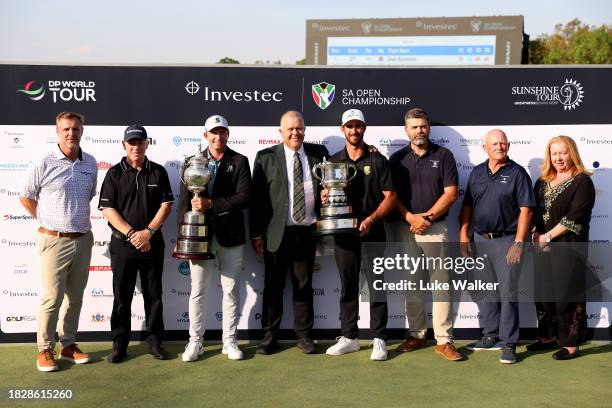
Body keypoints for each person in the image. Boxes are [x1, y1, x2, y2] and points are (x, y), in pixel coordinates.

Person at [20, 112, 97, 372]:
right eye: (66, 129)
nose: (71, 133)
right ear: (57, 131)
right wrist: (47, 222)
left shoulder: (91, 162)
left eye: (75, 129)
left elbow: (88, 197)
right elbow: (26, 196)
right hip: (54, 240)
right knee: (52, 297)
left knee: (75, 297)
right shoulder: (45, 160)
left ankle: (68, 344)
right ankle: (44, 349)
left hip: (84, 239)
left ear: (82, 130)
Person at [250, 110, 328, 355]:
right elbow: (257, 201)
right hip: (276, 233)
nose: (295, 132)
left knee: (304, 285)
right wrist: (256, 234)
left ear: (305, 129)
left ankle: (304, 337)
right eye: (290, 129)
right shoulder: (265, 157)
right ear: (281, 131)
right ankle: (269, 337)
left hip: (306, 232)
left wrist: (325, 196)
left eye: (299, 128)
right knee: (273, 286)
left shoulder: (319, 154)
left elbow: (329, 186)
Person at [389, 107, 463, 361]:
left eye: (423, 126)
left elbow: (451, 192)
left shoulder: (444, 155)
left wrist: (428, 217)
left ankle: (444, 340)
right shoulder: (396, 159)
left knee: (440, 284)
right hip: (406, 227)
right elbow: (391, 196)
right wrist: (411, 217)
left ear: (428, 127)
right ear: (406, 130)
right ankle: (417, 335)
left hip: (435, 227)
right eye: (414, 127)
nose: (419, 130)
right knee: (412, 282)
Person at [177, 115, 251, 362]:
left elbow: (245, 197)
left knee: (230, 291)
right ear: (205, 135)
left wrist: (212, 204)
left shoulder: (239, 161)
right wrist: (182, 234)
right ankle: (195, 342)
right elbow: (184, 203)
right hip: (199, 237)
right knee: (198, 290)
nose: (218, 137)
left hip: (231, 236)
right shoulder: (191, 162)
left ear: (228, 135)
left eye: (222, 132)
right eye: (213, 133)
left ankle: (229, 341)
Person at [323, 109, 396, 361]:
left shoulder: (378, 160)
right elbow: (327, 198)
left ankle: (379, 338)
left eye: (358, 126)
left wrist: (372, 219)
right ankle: (350, 337)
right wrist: (325, 196)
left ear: (364, 128)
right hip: (343, 234)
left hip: (373, 231)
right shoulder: (332, 162)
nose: (354, 131)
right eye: (349, 126)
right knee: (348, 286)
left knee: (377, 286)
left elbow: (391, 197)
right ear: (342, 129)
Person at [99, 125, 174, 363]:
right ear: (124, 145)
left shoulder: (158, 172)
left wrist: (148, 233)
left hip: (152, 244)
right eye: (131, 142)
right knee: (122, 297)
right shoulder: (114, 173)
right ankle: (120, 342)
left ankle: (154, 340)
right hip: (123, 245)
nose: (136, 146)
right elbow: (108, 209)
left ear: (146, 144)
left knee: (154, 295)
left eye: (140, 142)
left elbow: (166, 205)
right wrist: (134, 234)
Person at [459, 129, 534, 364]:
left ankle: (509, 343)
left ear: (508, 146)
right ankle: (490, 335)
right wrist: (464, 235)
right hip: (480, 240)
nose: (499, 146)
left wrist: (519, 242)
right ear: (485, 148)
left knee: (508, 292)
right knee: (486, 289)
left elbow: (526, 210)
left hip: (507, 241)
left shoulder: (518, 173)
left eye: (503, 143)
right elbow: (468, 206)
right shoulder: (477, 173)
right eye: (494, 143)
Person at [528, 135, 595, 360]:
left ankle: (570, 344)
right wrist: (536, 236)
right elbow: (534, 213)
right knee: (544, 292)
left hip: (568, 247)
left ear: (572, 153)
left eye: (563, 152)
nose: (558, 157)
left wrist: (546, 237)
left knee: (567, 294)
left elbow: (573, 218)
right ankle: (546, 337)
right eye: (554, 153)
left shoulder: (582, 181)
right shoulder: (542, 181)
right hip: (541, 247)